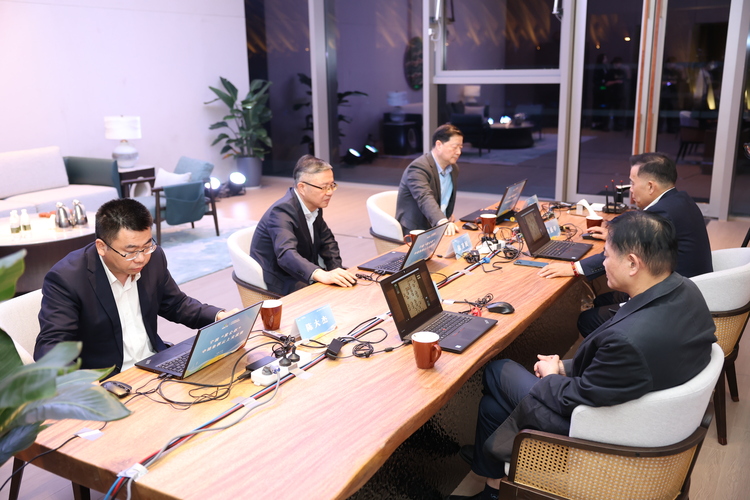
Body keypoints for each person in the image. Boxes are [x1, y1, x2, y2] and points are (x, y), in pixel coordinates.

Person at [454, 211, 716, 500]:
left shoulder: (628, 340)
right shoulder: (687, 290)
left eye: (607, 256)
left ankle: (494, 473)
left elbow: (577, 398)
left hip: (604, 436)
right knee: (493, 407)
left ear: (632, 263)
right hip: (646, 412)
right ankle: (493, 486)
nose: (603, 263)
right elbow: (616, 372)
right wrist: (564, 367)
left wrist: (552, 376)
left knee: (497, 370)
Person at [35, 198, 235, 375]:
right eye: (130, 252)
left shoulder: (153, 257)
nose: (141, 258)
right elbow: (52, 346)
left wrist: (219, 317)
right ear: (101, 247)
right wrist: (82, 385)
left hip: (155, 364)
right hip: (108, 380)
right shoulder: (67, 278)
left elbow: (176, 304)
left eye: (147, 246)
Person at [539, 152, 712, 336]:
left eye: (633, 183)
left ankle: (611, 351)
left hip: (671, 299)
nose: (630, 190)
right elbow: (640, 227)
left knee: (587, 319)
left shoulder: (661, 214)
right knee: (601, 300)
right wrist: (615, 234)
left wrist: (574, 268)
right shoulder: (680, 200)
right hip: (683, 286)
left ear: (650, 186)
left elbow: (622, 255)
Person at [250, 154, 356, 295]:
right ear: (302, 188)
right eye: (324, 187)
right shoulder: (281, 211)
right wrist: (320, 274)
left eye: (332, 186)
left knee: (350, 284)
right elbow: (286, 253)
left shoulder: (314, 204)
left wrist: (336, 269)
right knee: (329, 295)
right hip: (283, 278)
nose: (330, 192)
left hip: (303, 271)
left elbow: (327, 242)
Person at [396, 123, 463, 236]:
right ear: (439, 145)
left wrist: (445, 216)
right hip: (416, 230)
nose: (458, 152)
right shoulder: (418, 168)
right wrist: (442, 220)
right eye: (455, 147)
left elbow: (443, 198)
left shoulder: (453, 169)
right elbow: (424, 197)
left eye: (460, 148)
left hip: (438, 225)